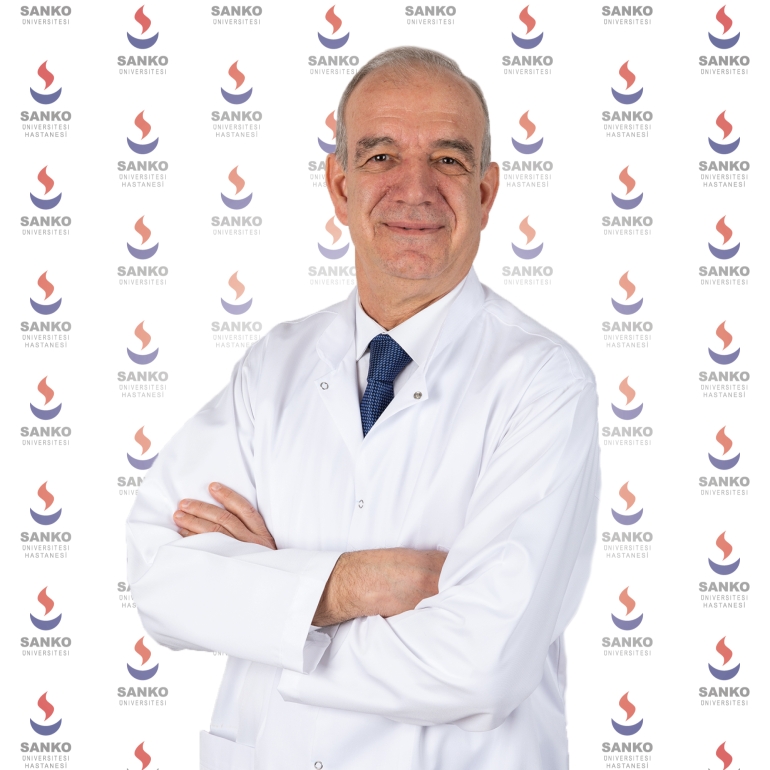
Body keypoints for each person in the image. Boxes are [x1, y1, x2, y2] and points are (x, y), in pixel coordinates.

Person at [126, 46, 600, 770]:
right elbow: (160, 577)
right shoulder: (273, 368)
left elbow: (479, 663)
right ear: (340, 186)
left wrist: (275, 606)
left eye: (448, 159)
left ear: (486, 192)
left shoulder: (544, 383)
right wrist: (354, 583)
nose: (415, 188)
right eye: (381, 157)